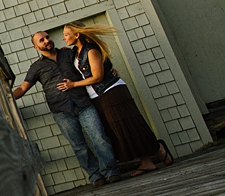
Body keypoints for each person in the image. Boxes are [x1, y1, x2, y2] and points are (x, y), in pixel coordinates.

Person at [57, 22, 173, 177]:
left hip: (111, 91)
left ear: (77, 35)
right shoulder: (75, 52)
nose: (63, 38)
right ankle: (149, 159)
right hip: (97, 96)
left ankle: (155, 152)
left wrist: (73, 85)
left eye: (66, 35)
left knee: (128, 125)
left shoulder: (91, 50)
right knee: (120, 129)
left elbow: (98, 77)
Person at [12, 31, 121, 186]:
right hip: (61, 111)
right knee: (79, 146)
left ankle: (111, 172)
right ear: (36, 47)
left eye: (47, 37)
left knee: (100, 138)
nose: (46, 41)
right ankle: (95, 175)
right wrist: (5, 97)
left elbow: (91, 63)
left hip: (83, 104)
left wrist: (110, 70)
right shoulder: (36, 67)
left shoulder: (70, 54)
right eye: (41, 40)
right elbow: (23, 88)